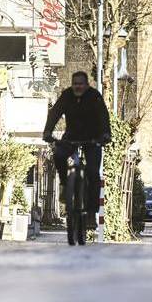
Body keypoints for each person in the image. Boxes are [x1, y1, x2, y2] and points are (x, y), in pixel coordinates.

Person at [42, 71, 111, 230]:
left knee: (93, 173)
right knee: (59, 155)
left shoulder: (94, 96)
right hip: (71, 136)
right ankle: (66, 184)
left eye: (81, 84)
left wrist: (106, 134)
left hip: (93, 138)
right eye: (75, 84)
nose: (77, 87)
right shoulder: (67, 96)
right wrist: (47, 132)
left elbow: (103, 116)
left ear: (87, 85)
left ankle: (92, 213)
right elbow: (55, 113)